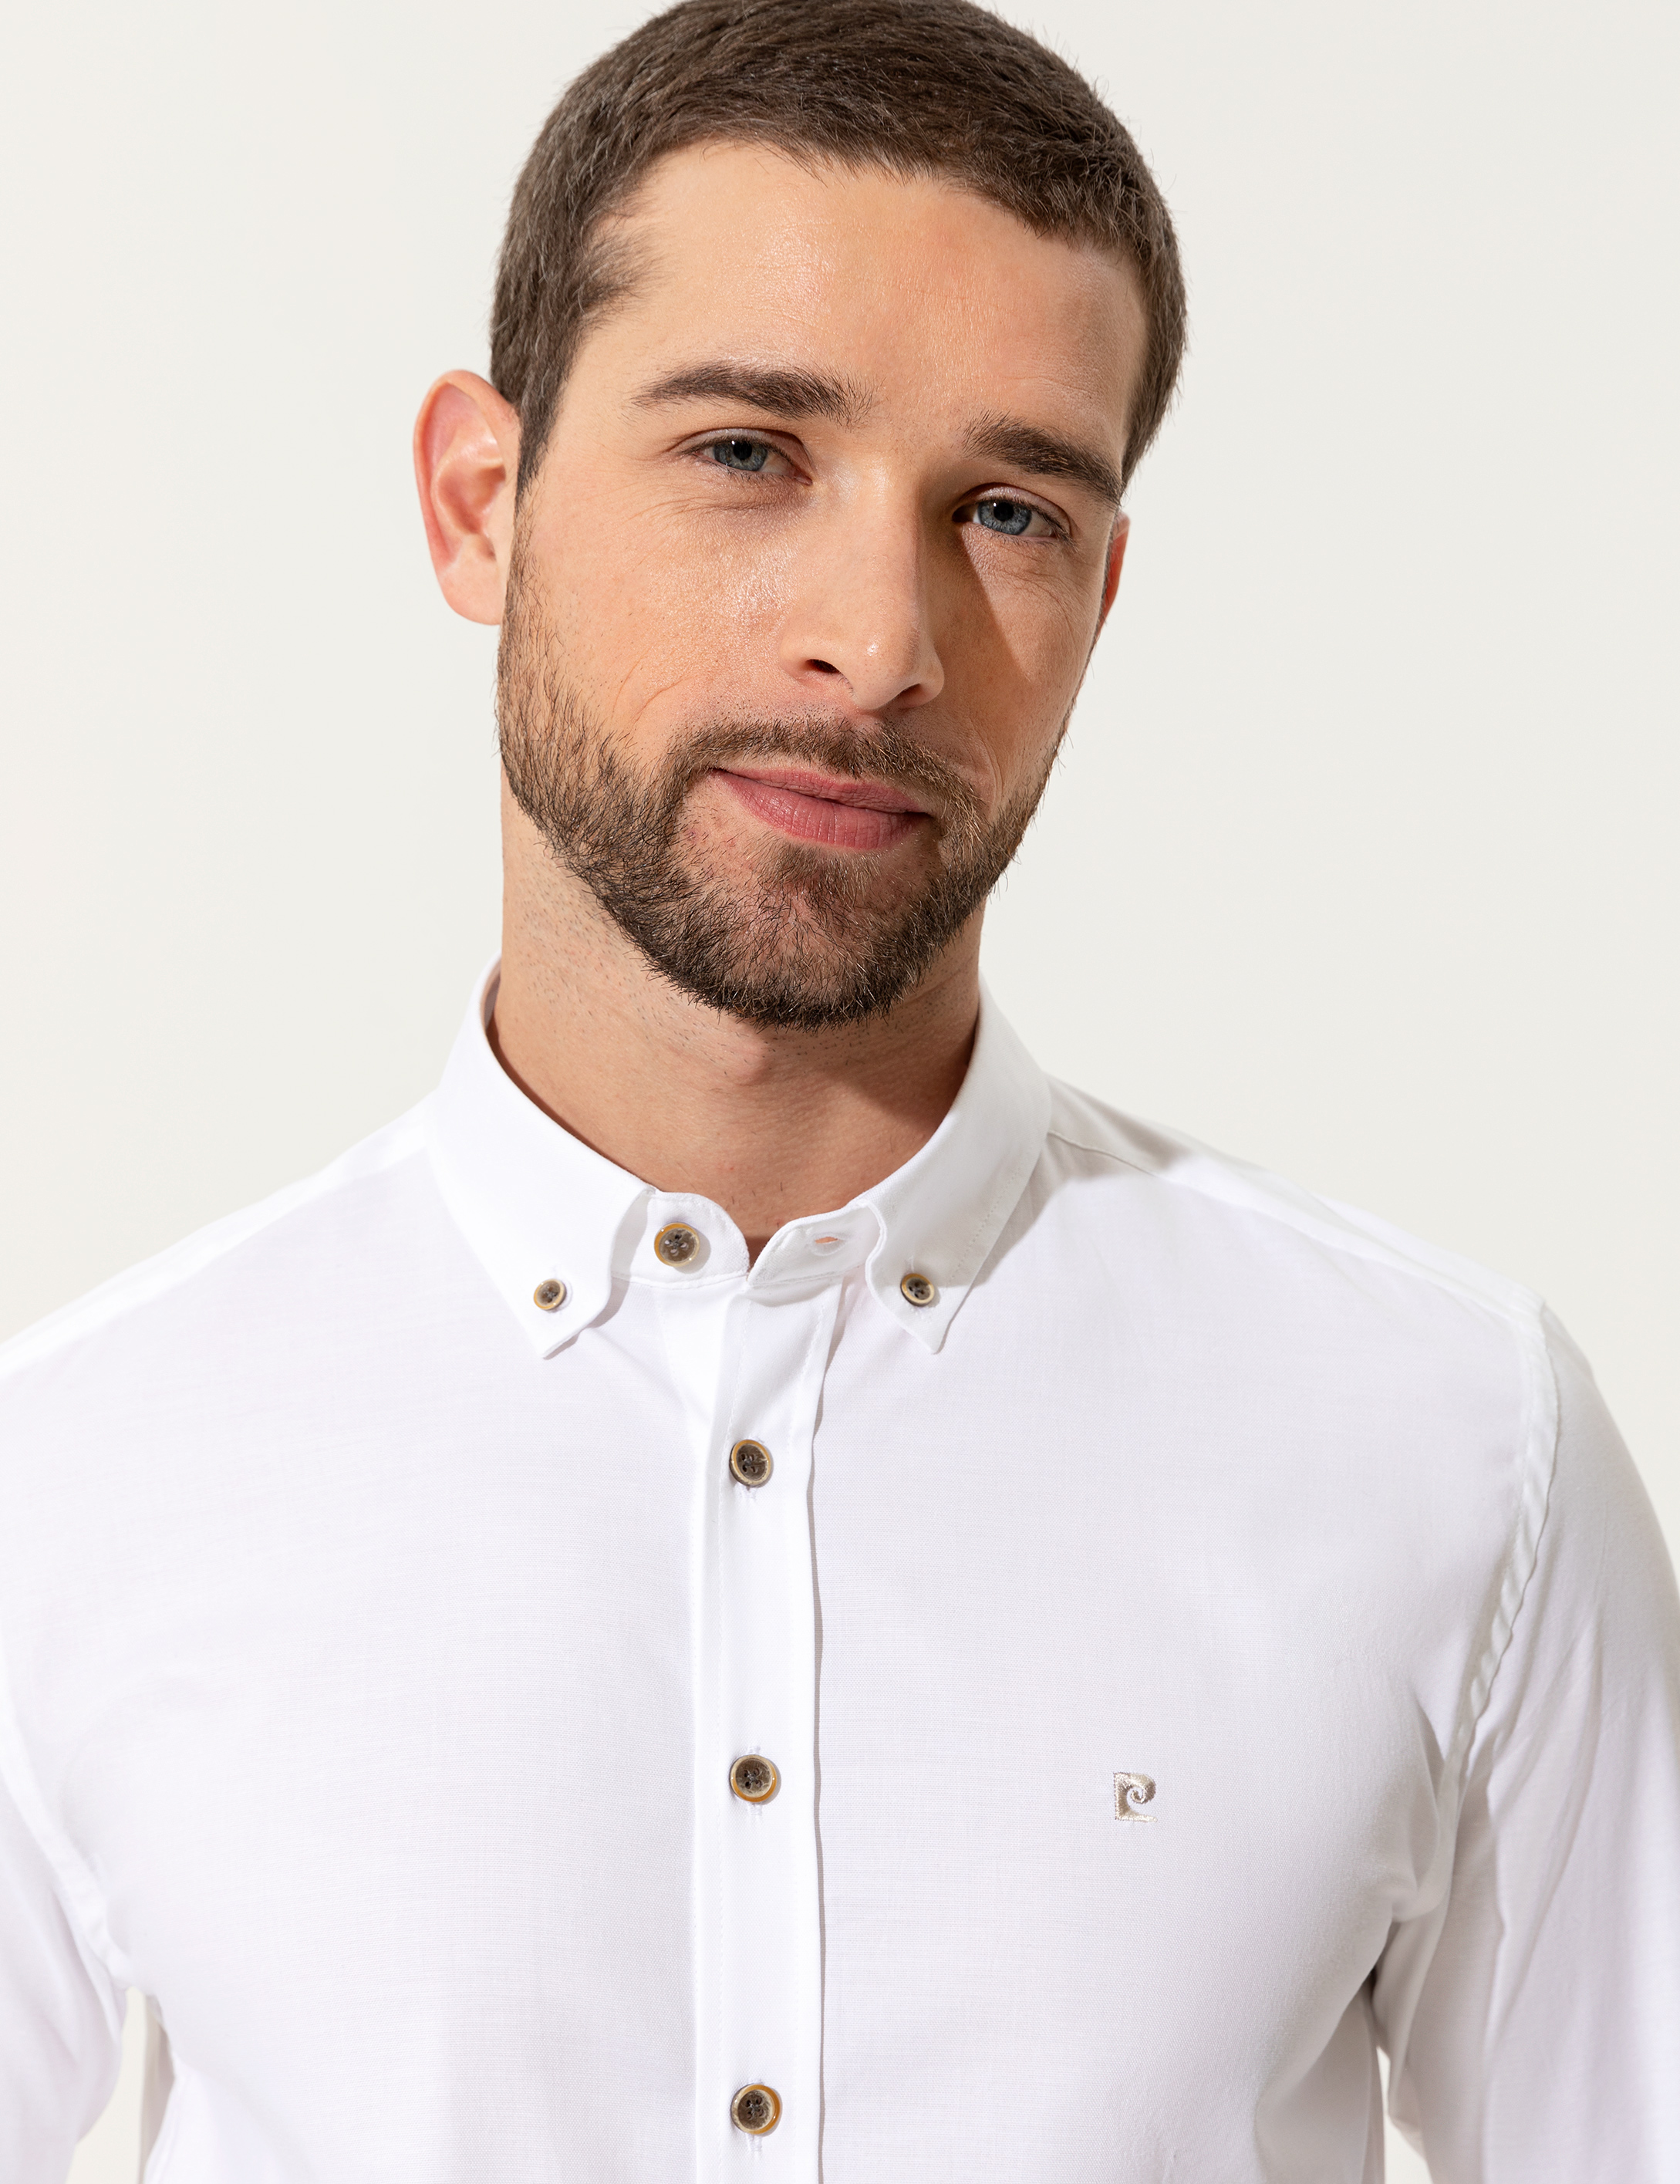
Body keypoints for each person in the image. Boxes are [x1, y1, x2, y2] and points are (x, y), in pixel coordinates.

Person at [2, 0, 1677, 2176]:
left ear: (1101, 592)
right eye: (746, 454)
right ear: (479, 505)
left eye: (1008, 508)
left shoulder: (1451, 1442)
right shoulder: (81, 1476)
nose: (879, 640)